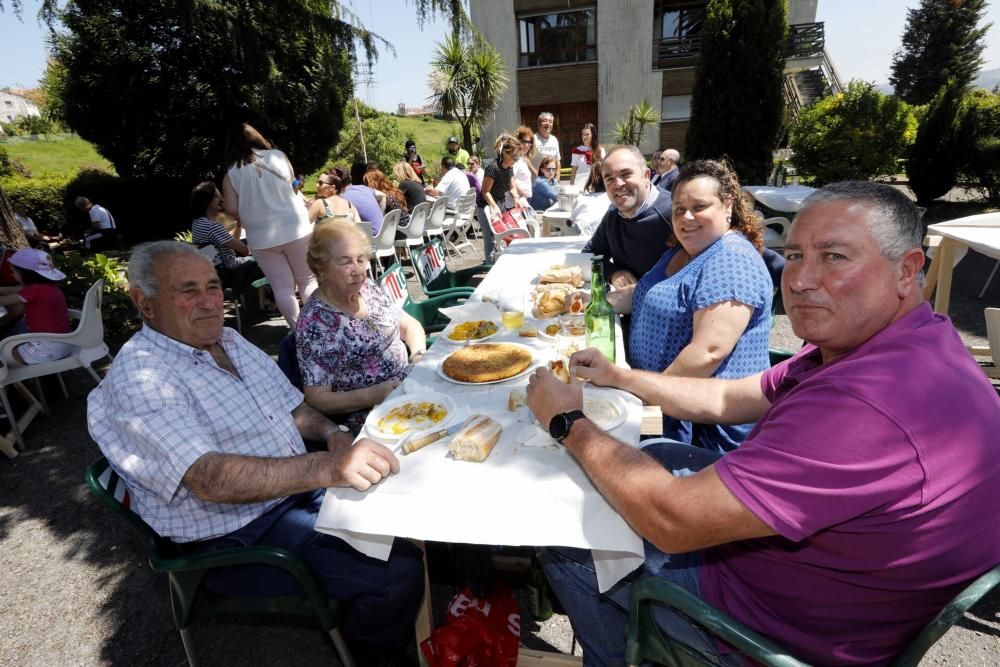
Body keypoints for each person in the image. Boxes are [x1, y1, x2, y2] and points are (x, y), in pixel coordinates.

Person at [528, 181, 1000, 666]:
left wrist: (567, 421)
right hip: (836, 589)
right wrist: (619, 377)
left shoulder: (866, 405)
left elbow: (674, 521)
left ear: (906, 270)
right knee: (655, 456)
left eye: (834, 256)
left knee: (566, 535)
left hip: (769, 635)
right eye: (794, 255)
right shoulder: (901, 344)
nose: (798, 280)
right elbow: (728, 396)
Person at [88, 241, 424, 662]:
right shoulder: (142, 378)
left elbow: (294, 407)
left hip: (291, 498)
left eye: (213, 286)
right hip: (233, 538)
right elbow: (210, 479)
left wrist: (335, 434)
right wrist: (328, 466)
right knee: (396, 572)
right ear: (145, 303)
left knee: (412, 505)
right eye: (189, 291)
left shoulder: (227, 339)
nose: (210, 302)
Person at [627, 160, 772, 452]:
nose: (686, 217)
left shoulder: (731, 260)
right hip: (661, 402)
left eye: (700, 206)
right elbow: (649, 294)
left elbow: (707, 353)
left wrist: (644, 406)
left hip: (701, 431)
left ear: (727, 205)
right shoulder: (686, 250)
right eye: (679, 209)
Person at [297, 221, 426, 434]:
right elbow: (317, 397)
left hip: (412, 387)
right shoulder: (315, 321)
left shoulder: (367, 289)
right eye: (346, 261)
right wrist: (371, 395)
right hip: (373, 416)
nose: (357, 270)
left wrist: (419, 356)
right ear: (322, 268)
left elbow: (408, 325)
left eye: (361, 260)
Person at [222, 123, 316, 328]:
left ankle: (298, 331)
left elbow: (230, 207)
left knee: (282, 287)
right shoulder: (278, 156)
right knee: (307, 280)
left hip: (261, 238)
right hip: (296, 227)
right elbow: (293, 183)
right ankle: (317, 327)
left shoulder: (231, 173)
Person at [582, 145, 673, 302]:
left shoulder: (674, 213)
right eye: (609, 178)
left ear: (646, 175)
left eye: (626, 174)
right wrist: (614, 273)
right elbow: (590, 255)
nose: (618, 183)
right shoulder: (613, 214)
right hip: (624, 309)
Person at [190, 181, 265, 299]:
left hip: (217, 271)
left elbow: (230, 243)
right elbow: (245, 251)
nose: (222, 200)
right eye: (216, 196)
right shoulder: (212, 227)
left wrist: (238, 226)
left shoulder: (198, 224)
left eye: (220, 195)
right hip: (231, 271)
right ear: (205, 202)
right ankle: (273, 302)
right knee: (272, 260)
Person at [0, 249, 74, 363]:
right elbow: (15, 290)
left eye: (13, 272)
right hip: (65, 342)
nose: (11, 275)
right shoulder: (47, 287)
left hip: (46, 349)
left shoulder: (34, 290)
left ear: (24, 273)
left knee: (3, 359)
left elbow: (3, 301)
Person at [477, 133, 525, 263]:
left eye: (518, 157)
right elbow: (485, 191)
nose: (516, 159)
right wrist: (493, 206)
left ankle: (501, 261)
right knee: (491, 238)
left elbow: (511, 186)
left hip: (500, 202)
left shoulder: (509, 167)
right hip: (486, 206)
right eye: (514, 156)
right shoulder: (493, 168)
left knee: (503, 235)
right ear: (504, 152)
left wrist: (516, 197)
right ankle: (490, 266)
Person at [334, 164, 385, 233]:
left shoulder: (342, 198)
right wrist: (379, 217)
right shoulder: (363, 188)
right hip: (384, 232)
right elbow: (383, 196)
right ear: (350, 177)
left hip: (371, 236)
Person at [569, 160, 611, 239]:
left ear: (591, 178)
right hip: (607, 240)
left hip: (582, 239)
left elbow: (572, 219)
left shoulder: (581, 198)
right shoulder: (613, 200)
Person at [570, 123, 605, 190]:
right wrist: (571, 186)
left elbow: (603, 169)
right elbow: (574, 170)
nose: (584, 137)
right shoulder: (577, 150)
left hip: (595, 185)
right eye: (583, 134)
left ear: (593, 135)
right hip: (579, 185)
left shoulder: (600, 150)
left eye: (587, 134)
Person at [509, 126, 535, 207]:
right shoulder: (514, 159)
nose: (527, 145)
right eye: (524, 141)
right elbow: (509, 179)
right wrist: (523, 194)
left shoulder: (522, 159)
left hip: (524, 200)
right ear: (518, 141)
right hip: (516, 202)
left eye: (529, 142)